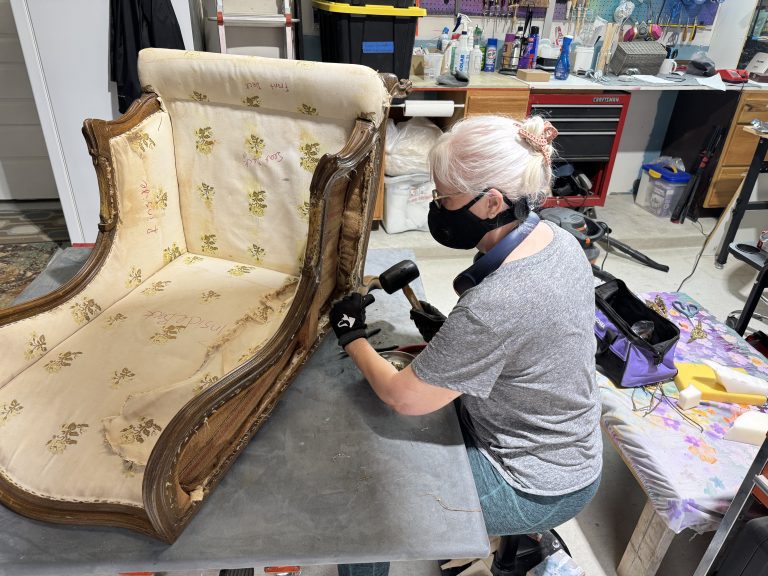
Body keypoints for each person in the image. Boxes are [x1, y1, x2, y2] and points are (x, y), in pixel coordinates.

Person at [329, 115, 602, 576]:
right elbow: (520, 341)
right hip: (565, 446)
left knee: (363, 497)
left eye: (445, 197)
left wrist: (352, 335)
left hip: (532, 482)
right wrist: (451, 344)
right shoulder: (556, 238)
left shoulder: (500, 300)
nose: (437, 206)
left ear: (493, 201)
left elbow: (404, 398)